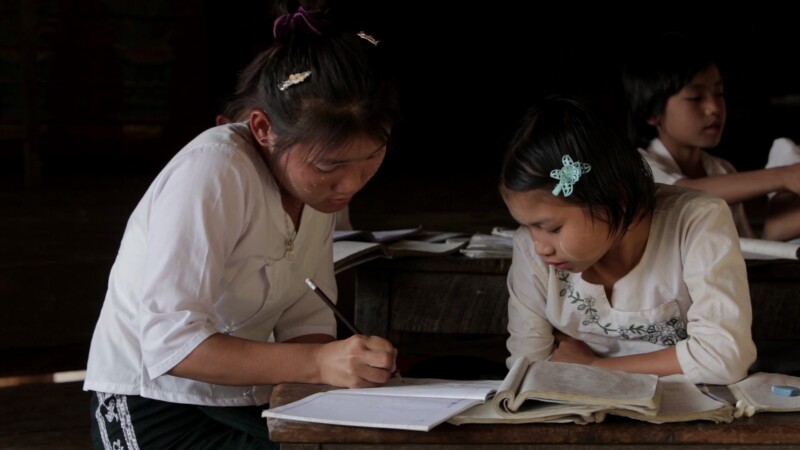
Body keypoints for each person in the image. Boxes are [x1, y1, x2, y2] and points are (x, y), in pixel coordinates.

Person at [83, 4, 399, 448]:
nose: (350, 183)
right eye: (331, 165)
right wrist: (318, 363)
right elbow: (174, 345)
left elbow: (304, 316)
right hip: (151, 403)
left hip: (244, 400)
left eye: (371, 159)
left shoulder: (318, 190)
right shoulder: (213, 170)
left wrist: (344, 367)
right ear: (263, 127)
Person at [500, 95, 756, 386]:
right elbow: (526, 368)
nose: (539, 246)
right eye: (528, 227)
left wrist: (594, 365)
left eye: (552, 228)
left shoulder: (697, 221)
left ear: (616, 200)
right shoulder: (531, 249)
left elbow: (724, 358)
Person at [623, 32, 800, 242]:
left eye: (719, 94)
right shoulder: (638, 167)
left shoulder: (722, 170)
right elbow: (682, 193)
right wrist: (783, 176)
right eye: (696, 98)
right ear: (652, 113)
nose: (714, 108)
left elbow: (747, 247)